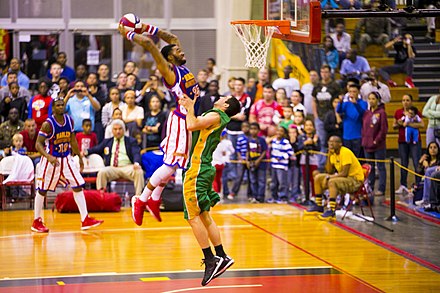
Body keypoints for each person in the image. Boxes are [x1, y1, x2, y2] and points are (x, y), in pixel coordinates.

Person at [118, 19, 200, 225]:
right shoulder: (170, 73)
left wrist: (146, 27)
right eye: (177, 52)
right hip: (180, 120)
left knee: (172, 164)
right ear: (170, 57)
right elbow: (150, 45)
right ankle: (141, 200)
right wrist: (127, 33)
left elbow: (171, 38)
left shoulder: (182, 67)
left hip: (187, 121)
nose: (182, 51)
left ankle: (155, 200)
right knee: (172, 166)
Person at [178, 94, 240, 286]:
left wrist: (190, 107)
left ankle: (211, 259)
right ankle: (221, 255)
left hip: (197, 169)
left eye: (224, 97)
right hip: (201, 167)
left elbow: (192, 125)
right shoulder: (216, 116)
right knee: (204, 214)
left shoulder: (217, 115)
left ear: (226, 105)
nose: (220, 97)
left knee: (192, 216)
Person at [31, 97, 103, 233]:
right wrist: (48, 157)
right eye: (58, 105)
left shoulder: (69, 120)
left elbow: (73, 140)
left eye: (62, 105)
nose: (60, 107)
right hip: (51, 160)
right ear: (53, 108)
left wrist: (79, 157)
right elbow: (38, 144)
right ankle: (36, 221)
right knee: (42, 189)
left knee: (78, 185)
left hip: (66, 158)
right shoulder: (48, 124)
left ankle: (85, 219)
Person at [305, 136, 364, 221]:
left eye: (334, 142)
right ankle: (319, 206)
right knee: (318, 177)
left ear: (340, 144)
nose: (331, 144)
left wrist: (329, 177)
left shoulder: (345, 152)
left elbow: (344, 173)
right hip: (344, 178)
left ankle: (331, 211)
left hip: (355, 180)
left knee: (332, 182)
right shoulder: (333, 154)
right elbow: (329, 170)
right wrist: (329, 155)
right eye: (329, 142)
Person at [84, 119, 145, 196]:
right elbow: (97, 149)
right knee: (102, 172)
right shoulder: (107, 141)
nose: (118, 131)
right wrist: (86, 152)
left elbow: (136, 153)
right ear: (112, 131)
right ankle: (101, 196)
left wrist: (136, 163)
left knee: (139, 172)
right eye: (115, 129)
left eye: (120, 129)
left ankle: (139, 198)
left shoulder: (131, 141)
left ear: (124, 130)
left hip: (127, 167)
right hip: (113, 168)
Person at [394, 94, 424, 193]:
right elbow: (394, 125)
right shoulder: (398, 112)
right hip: (403, 141)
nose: (405, 102)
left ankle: (419, 184)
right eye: (403, 100)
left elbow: (422, 124)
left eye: (407, 100)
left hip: (415, 141)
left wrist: (408, 124)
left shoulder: (416, 112)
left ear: (411, 101)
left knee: (416, 163)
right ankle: (403, 185)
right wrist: (399, 123)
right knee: (404, 163)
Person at [362, 92, 388, 196]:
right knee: (370, 167)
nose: (371, 100)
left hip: (378, 145)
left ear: (377, 100)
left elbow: (383, 129)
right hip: (367, 144)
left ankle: (381, 188)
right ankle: (370, 187)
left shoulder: (381, 113)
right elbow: (364, 128)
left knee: (381, 167)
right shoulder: (366, 113)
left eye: (373, 98)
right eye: (370, 98)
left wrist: (376, 140)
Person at [337, 83, 368, 158]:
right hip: (347, 135)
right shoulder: (346, 103)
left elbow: (363, 113)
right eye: (350, 91)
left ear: (358, 92)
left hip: (357, 135)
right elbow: (339, 111)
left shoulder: (363, 103)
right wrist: (340, 102)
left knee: (357, 157)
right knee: (347, 157)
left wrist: (356, 104)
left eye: (354, 91)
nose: (352, 93)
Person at [268, 126, 293, 203]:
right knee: (273, 183)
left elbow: (290, 152)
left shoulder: (285, 142)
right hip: (274, 165)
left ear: (284, 133)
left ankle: (283, 197)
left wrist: (282, 157)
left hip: (281, 165)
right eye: (277, 131)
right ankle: (274, 196)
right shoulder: (274, 141)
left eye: (281, 131)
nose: (279, 133)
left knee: (282, 182)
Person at [297, 118, 321, 198]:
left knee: (314, 178)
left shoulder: (316, 137)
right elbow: (298, 147)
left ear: (314, 127)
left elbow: (318, 148)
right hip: (304, 160)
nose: (309, 127)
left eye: (311, 125)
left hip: (313, 160)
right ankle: (306, 195)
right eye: (307, 125)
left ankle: (314, 195)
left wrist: (314, 142)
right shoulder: (301, 137)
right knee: (305, 178)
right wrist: (305, 143)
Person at [247, 123, 268, 203]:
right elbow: (247, 151)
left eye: (255, 129)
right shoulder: (248, 139)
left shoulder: (261, 140)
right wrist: (247, 161)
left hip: (261, 164)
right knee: (253, 180)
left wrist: (258, 160)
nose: (253, 131)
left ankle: (260, 196)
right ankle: (254, 196)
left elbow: (264, 151)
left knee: (261, 180)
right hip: (252, 163)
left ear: (258, 130)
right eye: (251, 129)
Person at [228, 121, 250, 200]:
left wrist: (248, 160)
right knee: (239, 177)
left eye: (247, 127)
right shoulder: (240, 138)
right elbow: (237, 150)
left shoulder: (251, 138)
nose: (245, 129)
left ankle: (250, 194)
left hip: (249, 161)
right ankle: (233, 192)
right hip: (241, 161)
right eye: (244, 127)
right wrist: (240, 158)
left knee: (250, 178)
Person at [416, 141, 440, 207]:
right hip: (425, 182)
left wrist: (427, 167)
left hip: (433, 183)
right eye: (431, 147)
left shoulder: (439, 161)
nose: (432, 149)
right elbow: (418, 173)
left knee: (429, 171)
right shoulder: (426, 160)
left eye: (435, 147)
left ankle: (427, 200)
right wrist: (420, 162)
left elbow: (432, 173)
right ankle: (425, 199)